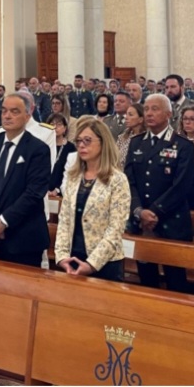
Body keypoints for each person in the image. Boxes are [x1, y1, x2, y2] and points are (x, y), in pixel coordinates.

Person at [124, 93, 194, 293]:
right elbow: (129, 181)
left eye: (155, 109)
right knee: (147, 282)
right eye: (146, 109)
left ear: (168, 113)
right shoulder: (136, 142)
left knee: (176, 282)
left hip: (172, 223)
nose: (149, 113)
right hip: (142, 223)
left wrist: (153, 212)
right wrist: (139, 211)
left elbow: (181, 186)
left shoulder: (183, 145)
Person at [0, 93, 51, 267]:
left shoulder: (38, 149)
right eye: (4, 111)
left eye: (14, 112)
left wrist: (3, 222)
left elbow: (34, 192)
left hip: (23, 239)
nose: (7, 116)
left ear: (27, 115)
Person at [54, 117, 130, 281]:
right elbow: (65, 219)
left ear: (103, 143)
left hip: (104, 262)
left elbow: (115, 228)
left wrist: (92, 264)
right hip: (72, 258)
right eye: (79, 141)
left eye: (87, 141)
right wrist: (61, 256)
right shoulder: (74, 177)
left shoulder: (117, 179)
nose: (81, 145)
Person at [46, 113, 76, 196]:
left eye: (59, 125)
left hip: (62, 192)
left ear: (65, 128)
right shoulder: (42, 146)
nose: (55, 127)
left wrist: (57, 190)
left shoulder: (71, 148)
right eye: (52, 124)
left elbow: (71, 174)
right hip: (42, 192)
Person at [116, 103, 146, 168]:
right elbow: (115, 157)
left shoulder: (146, 139)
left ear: (141, 119)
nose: (126, 117)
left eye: (130, 115)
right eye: (126, 114)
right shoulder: (122, 137)